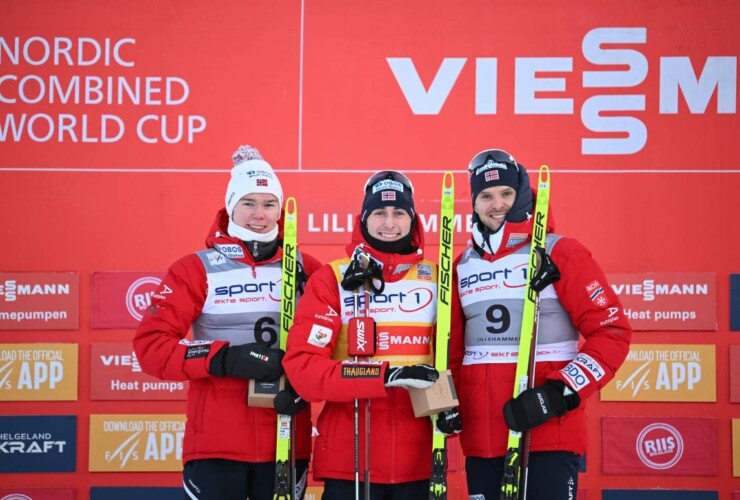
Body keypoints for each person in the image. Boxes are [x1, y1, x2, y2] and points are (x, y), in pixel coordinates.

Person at [133, 145, 321, 500]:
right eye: (248, 203)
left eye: (269, 204)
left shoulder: (306, 268)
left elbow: (331, 346)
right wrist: (224, 358)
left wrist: (307, 383)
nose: (259, 215)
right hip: (216, 444)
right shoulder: (195, 269)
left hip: (286, 434)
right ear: (230, 205)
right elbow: (152, 347)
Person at [449, 149, 632, 500]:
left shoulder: (560, 252)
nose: (497, 204)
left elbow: (612, 333)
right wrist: (448, 405)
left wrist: (558, 394)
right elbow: (456, 356)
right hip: (483, 443)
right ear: (474, 203)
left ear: (523, 195)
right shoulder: (461, 265)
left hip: (547, 435)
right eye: (485, 196)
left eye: (506, 193)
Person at [283, 170, 442, 500]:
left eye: (399, 213)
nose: (389, 222)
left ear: (412, 220)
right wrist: (384, 376)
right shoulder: (333, 278)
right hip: (350, 457)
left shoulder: (436, 278)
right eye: (379, 213)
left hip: (419, 458)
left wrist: (450, 407)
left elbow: (449, 359)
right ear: (363, 219)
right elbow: (304, 368)